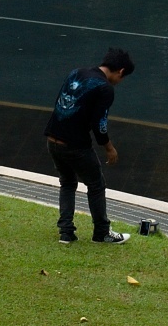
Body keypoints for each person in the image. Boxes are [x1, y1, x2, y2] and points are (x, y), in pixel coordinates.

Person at [44, 48, 135, 243]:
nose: (120, 82)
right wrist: (109, 148)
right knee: (96, 184)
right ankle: (102, 232)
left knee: (67, 183)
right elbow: (99, 124)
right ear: (120, 71)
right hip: (75, 145)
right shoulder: (105, 88)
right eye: (123, 77)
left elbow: (61, 102)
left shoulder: (76, 72)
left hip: (52, 139)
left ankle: (66, 233)